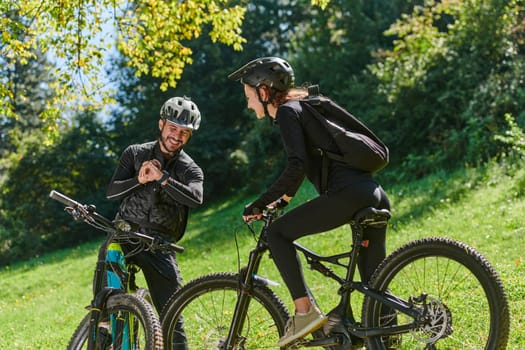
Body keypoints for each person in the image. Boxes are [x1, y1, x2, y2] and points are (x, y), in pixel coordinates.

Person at [228, 57, 390, 347]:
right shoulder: (305, 106)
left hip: (347, 195)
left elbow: (297, 166)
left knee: (277, 234)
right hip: (372, 193)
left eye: (249, 97)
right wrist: (284, 198)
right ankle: (384, 339)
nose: (249, 104)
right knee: (373, 284)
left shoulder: (289, 112)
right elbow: (315, 159)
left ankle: (304, 313)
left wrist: (259, 204)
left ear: (264, 92)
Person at [106, 96, 204, 350]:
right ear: (161, 124)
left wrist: (163, 178)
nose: (177, 136)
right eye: (173, 128)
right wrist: (138, 180)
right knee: (107, 279)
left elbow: (196, 198)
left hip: (160, 246)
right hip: (125, 236)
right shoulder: (135, 153)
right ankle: (104, 321)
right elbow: (112, 191)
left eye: (184, 132)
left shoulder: (190, 168)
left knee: (172, 315)